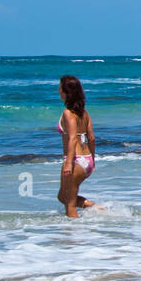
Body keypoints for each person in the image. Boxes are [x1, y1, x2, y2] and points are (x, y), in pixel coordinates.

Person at [56, 75, 99, 217]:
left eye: (60, 88)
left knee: (70, 203)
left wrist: (68, 163)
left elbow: (73, 138)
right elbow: (91, 138)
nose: (58, 91)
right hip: (86, 159)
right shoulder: (84, 113)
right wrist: (92, 160)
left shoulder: (68, 113)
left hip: (75, 160)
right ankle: (96, 208)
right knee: (63, 197)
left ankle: (72, 236)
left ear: (66, 92)